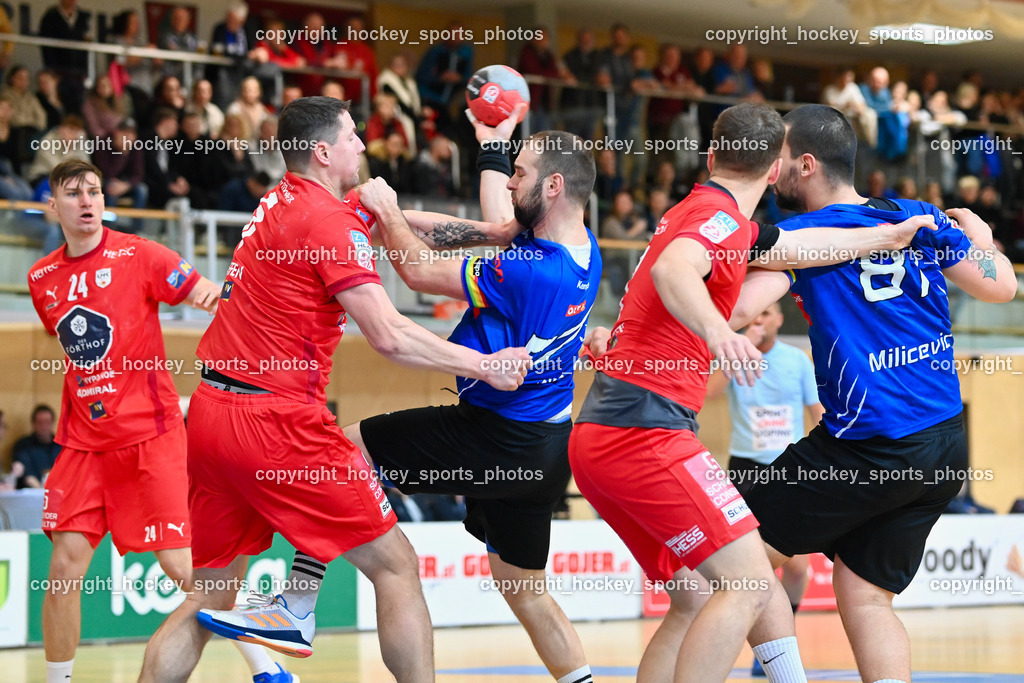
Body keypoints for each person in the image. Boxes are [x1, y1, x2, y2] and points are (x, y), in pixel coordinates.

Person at [197, 103, 601, 683]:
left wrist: (386, 211)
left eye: (521, 173)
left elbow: (415, 271)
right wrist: (494, 146)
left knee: (347, 449)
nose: (512, 183)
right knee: (527, 593)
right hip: (547, 445)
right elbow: (502, 222)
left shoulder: (529, 270)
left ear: (553, 186)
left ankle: (297, 604)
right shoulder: (581, 247)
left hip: (497, 434)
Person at [566, 102, 937, 682]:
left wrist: (886, 236)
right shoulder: (717, 220)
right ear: (774, 172)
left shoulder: (706, 217)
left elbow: (796, 251)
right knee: (747, 581)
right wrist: (718, 333)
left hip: (605, 431)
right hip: (643, 431)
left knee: (695, 599)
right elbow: (672, 271)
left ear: (711, 156)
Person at [723, 103, 1017, 683]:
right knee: (864, 593)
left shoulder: (800, 236)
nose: (770, 170)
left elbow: (732, 310)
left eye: (778, 158)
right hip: (943, 445)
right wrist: (983, 240)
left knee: (732, 557)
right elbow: (1002, 286)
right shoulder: (919, 215)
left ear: (807, 165)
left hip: (869, 446)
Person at [28, 159, 298, 683]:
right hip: (83, 445)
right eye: (73, 193)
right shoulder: (42, 278)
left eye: (94, 191)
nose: (86, 201)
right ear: (52, 205)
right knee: (62, 570)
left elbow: (204, 293)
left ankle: (267, 667)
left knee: (184, 568)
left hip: (150, 437)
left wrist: (250, 315)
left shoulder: (139, 254)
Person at [705, 301, 822, 677]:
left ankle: (781, 632)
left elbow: (817, 411)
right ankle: (765, 644)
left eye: (766, 314)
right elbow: (709, 393)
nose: (759, 320)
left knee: (797, 567)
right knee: (748, 563)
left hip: (789, 466)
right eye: (754, 315)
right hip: (745, 468)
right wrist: (742, 347)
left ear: (780, 319)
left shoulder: (797, 360)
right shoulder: (735, 354)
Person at [12, 404, 61, 489]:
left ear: (53, 423)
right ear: (33, 423)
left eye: (47, 422)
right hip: (32, 492)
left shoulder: (61, 446)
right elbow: (27, 475)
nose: (43, 426)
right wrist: (41, 491)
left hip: (59, 490)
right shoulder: (23, 445)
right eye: (40, 422)